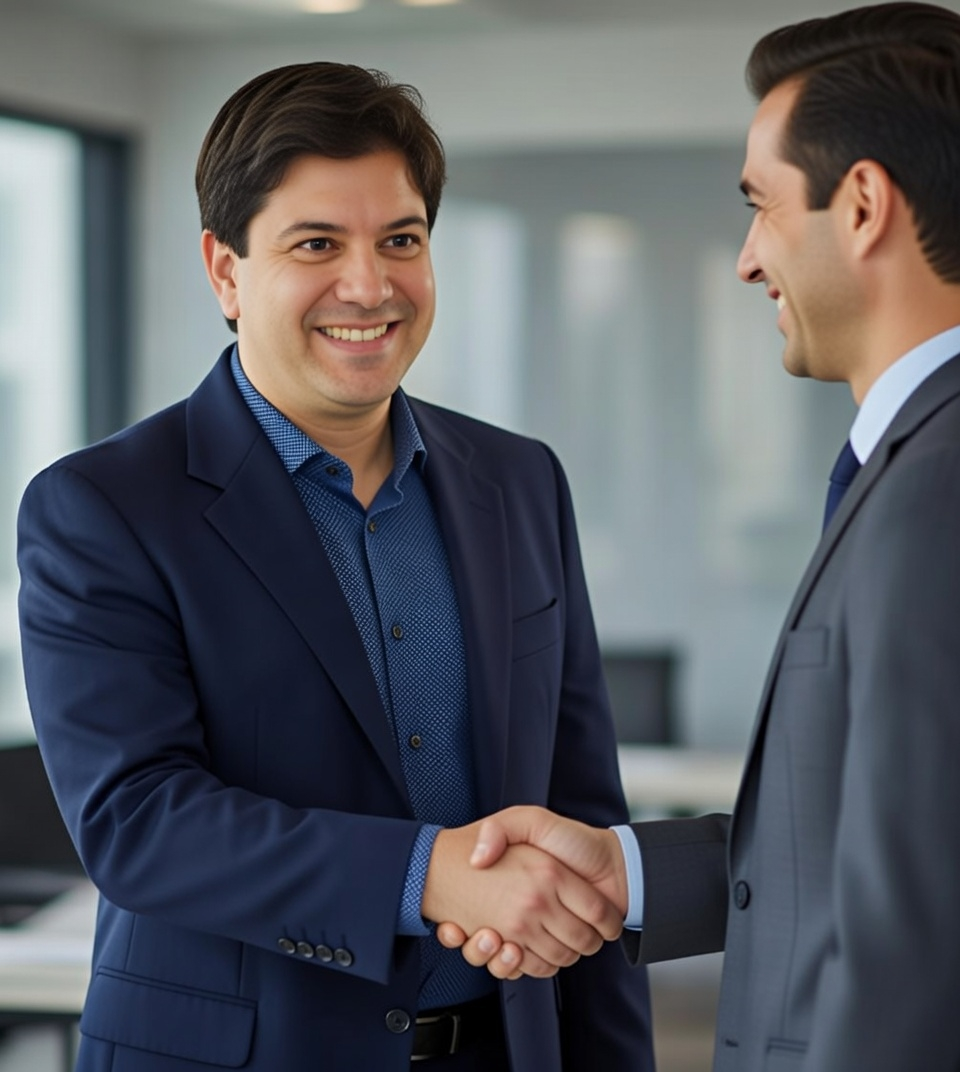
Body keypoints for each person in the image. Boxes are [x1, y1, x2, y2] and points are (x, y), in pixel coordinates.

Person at [16, 63, 653, 1071]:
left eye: (401, 239)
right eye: (317, 244)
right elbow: (139, 821)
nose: (371, 285)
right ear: (225, 270)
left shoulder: (521, 481)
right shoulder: (102, 506)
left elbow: (580, 812)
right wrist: (426, 872)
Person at [438, 3, 960, 1069]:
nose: (746, 260)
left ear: (862, 205)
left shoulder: (937, 488)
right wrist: (624, 869)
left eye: (761, 208)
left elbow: (919, 930)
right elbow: (864, 841)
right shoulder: (911, 461)